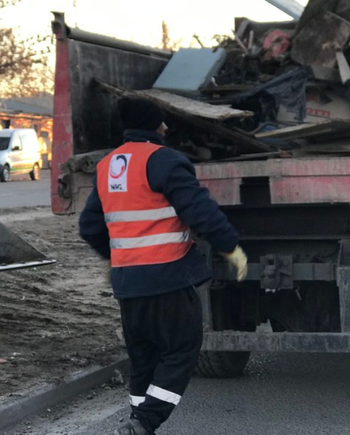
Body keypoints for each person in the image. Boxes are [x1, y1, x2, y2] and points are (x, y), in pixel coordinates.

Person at [79, 97, 247, 435]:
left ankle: (137, 423)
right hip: (167, 279)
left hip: (127, 283)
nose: (167, 128)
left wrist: (117, 258)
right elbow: (199, 211)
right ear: (154, 126)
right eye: (163, 122)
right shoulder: (165, 161)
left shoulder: (108, 166)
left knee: (144, 360)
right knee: (182, 350)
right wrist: (231, 247)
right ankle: (144, 422)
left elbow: (90, 227)